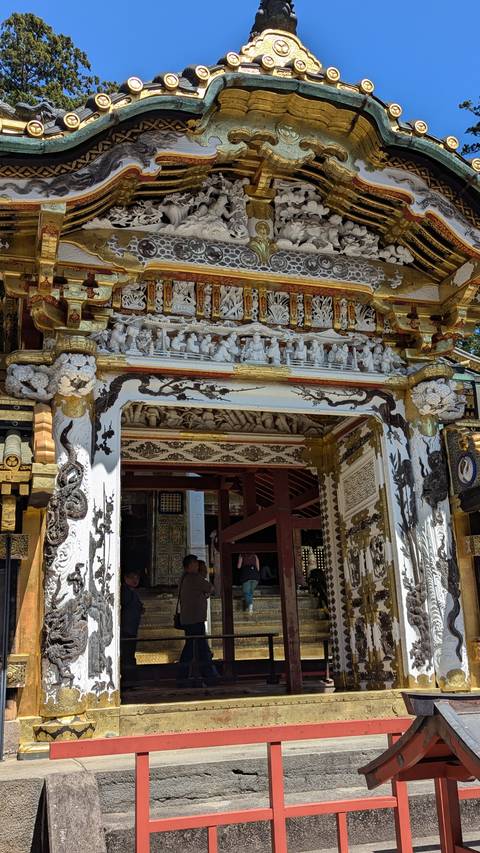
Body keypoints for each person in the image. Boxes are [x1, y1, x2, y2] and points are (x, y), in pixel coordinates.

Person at [177, 554, 219, 686]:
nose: (197, 566)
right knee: (199, 648)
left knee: (192, 647)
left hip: (188, 618)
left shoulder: (183, 578)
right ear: (189, 566)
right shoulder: (194, 578)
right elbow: (211, 588)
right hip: (195, 619)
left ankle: (186, 676)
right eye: (195, 563)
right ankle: (208, 676)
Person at [120, 570, 145, 670]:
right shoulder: (125, 592)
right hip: (126, 628)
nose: (135, 580)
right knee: (127, 654)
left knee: (129, 653)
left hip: (131, 627)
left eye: (137, 578)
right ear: (126, 578)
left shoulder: (132, 591)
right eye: (132, 578)